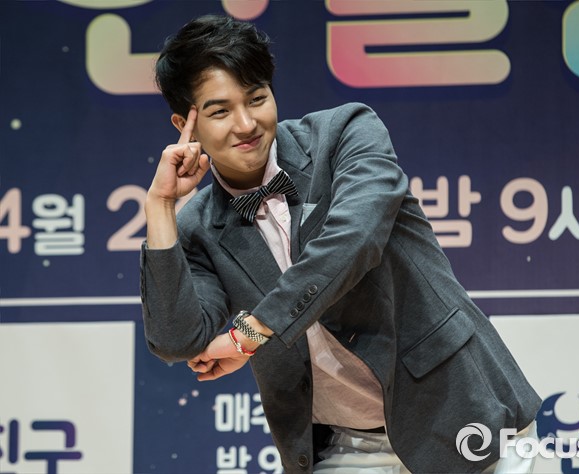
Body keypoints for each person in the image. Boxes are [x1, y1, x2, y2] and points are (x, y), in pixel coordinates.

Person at [141, 14, 541, 473]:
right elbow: (177, 339)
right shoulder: (198, 224)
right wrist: (160, 206)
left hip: (462, 415)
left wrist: (253, 333)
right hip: (346, 445)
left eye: (257, 98)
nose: (246, 123)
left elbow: (354, 241)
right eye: (220, 111)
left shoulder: (346, 133)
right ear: (184, 124)